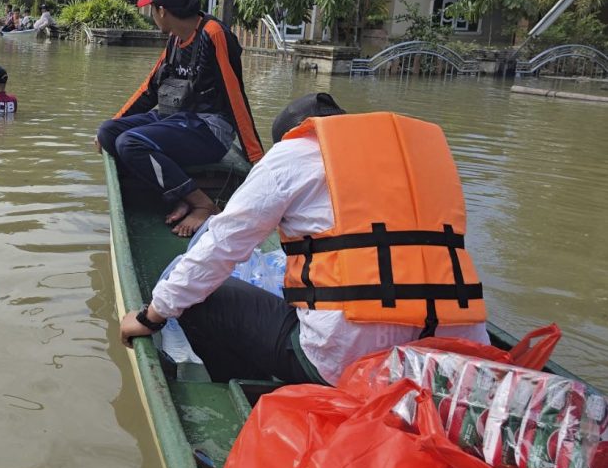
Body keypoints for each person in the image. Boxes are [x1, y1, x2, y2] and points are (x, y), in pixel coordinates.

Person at [119, 93, 491, 386]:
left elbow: (220, 245)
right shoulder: (417, 161)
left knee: (198, 299)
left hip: (345, 366)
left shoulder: (293, 153)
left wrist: (152, 316)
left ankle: (247, 387)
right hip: (452, 359)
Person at [96, 0, 264, 237]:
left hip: (209, 129)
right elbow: (149, 89)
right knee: (109, 132)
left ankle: (202, 204)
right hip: (174, 119)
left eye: (151, 9)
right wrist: (115, 121)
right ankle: (179, 194)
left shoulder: (213, 34)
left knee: (129, 143)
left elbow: (236, 96)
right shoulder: (175, 39)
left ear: (162, 10)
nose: (150, 15)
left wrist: (257, 159)